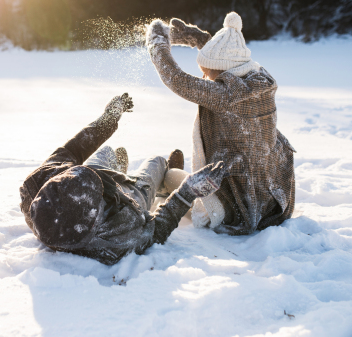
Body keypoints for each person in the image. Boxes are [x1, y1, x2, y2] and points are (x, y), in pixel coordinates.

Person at [19, 93, 236, 265]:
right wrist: (189, 190)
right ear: (98, 214)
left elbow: (75, 148)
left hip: (89, 179)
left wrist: (109, 118)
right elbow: (158, 228)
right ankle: (162, 182)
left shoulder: (37, 185)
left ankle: (112, 169)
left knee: (105, 152)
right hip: (129, 196)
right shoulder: (116, 236)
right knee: (156, 161)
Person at [145, 12, 296, 235]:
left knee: (171, 179)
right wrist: (198, 39)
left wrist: (156, 42)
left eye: (206, 72)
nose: (204, 76)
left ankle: (166, 181)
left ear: (221, 71)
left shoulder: (226, 94)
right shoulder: (258, 78)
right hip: (272, 200)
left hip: (237, 207)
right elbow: (225, 58)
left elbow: (176, 79)